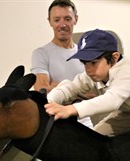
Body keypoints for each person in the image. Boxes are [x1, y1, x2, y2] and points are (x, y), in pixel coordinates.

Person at [44, 29, 130, 161]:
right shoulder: (91, 75)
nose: (89, 69)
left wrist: (71, 109)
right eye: (85, 63)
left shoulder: (127, 72)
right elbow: (70, 87)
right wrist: (48, 102)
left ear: (114, 57)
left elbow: (112, 100)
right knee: (95, 135)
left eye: (93, 62)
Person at [30, 0, 93, 128]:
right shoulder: (41, 53)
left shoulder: (86, 54)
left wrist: (58, 86)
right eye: (57, 20)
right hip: (57, 123)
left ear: (75, 19)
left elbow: (95, 93)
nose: (62, 24)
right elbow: (42, 90)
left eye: (67, 19)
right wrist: (80, 92)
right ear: (50, 22)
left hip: (85, 121)